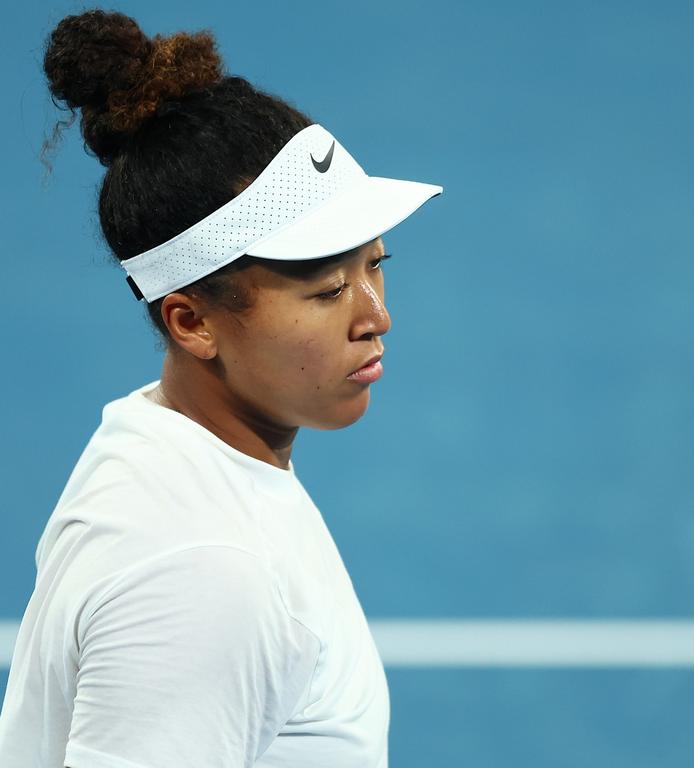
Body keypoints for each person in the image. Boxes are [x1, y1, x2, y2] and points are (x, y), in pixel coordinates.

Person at [0, 9, 442, 767]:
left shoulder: (166, 449)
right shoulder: (208, 576)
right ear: (191, 320)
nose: (378, 317)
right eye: (327, 290)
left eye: (375, 266)